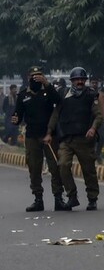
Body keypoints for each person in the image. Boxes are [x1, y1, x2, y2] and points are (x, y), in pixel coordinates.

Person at [46, 67, 103, 211]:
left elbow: (98, 116)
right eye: (77, 79)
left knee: (88, 170)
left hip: (84, 139)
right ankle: (72, 196)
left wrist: (93, 128)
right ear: (72, 81)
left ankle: (92, 198)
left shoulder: (91, 95)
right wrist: (49, 132)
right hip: (66, 139)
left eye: (82, 79)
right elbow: (55, 115)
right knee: (63, 165)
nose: (79, 82)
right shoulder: (64, 95)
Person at [13, 66, 68, 212]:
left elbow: (58, 100)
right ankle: (38, 199)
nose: (36, 78)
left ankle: (58, 198)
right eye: (34, 76)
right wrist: (15, 119)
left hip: (49, 136)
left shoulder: (48, 91)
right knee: (34, 168)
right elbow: (17, 115)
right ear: (28, 77)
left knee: (55, 167)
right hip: (32, 136)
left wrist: (46, 83)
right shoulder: (23, 95)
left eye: (39, 75)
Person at [89, 75, 104, 162]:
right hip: (90, 121)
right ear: (90, 83)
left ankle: (97, 154)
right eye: (93, 83)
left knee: (102, 138)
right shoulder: (87, 94)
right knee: (91, 139)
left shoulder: (102, 95)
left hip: (101, 120)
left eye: (96, 83)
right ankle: (92, 154)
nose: (94, 84)